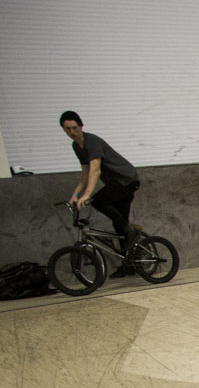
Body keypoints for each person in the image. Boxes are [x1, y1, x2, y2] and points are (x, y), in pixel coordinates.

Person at [60, 110, 142, 275]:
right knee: (119, 225)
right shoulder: (77, 146)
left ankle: (130, 230)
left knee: (98, 201)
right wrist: (75, 195)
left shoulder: (92, 141)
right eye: (67, 129)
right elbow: (85, 172)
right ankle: (129, 265)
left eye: (74, 128)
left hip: (126, 180)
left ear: (81, 126)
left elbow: (95, 170)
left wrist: (87, 195)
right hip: (117, 183)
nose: (72, 132)